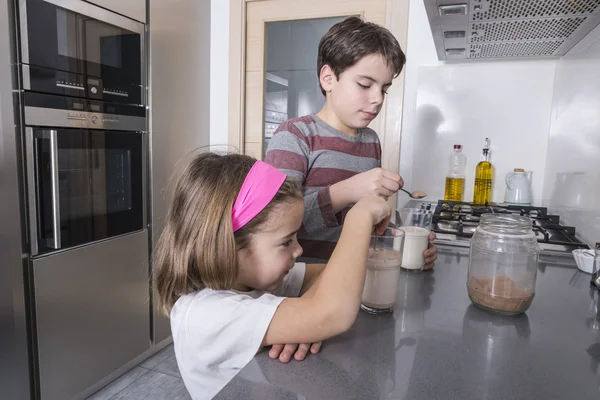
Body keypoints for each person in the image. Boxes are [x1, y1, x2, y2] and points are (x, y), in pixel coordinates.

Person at [152, 152, 391, 399]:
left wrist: (308, 314)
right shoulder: (206, 314)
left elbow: (330, 278)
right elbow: (333, 313)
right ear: (230, 247)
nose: (298, 250)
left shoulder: (251, 280)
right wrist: (359, 218)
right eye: (286, 241)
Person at [264, 16, 438, 265]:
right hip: (305, 284)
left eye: (384, 88)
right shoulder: (295, 135)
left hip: (356, 279)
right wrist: (346, 190)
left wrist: (407, 240)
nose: (378, 98)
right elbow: (274, 221)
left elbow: (367, 221)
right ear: (328, 78)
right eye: (365, 84)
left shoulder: (371, 141)